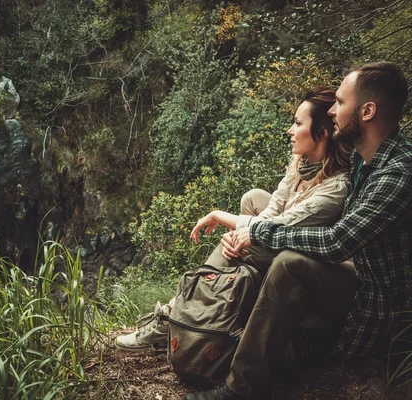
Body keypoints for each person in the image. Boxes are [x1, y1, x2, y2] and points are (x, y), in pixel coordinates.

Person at [187, 62, 412, 400]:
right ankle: (197, 317)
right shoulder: (363, 158)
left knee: (288, 261)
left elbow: (337, 241)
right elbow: (310, 174)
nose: (333, 110)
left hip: (376, 300)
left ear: (367, 111)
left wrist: (258, 233)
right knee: (256, 205)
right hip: (356, 270)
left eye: (340, 102)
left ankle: (241, 387)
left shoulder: (398, 172)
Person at [115, 87, 352, 352]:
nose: (290, 130)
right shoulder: (301, 162)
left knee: (236, 243)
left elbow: (277, 228)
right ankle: (233, 296)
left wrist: (225, 221)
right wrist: (243, 232)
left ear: (321, 134)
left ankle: (172, 317)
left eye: (297, 124)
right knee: (252, 202)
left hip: (307, 264)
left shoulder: (335, 188)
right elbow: (271, 212)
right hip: (283, 235)